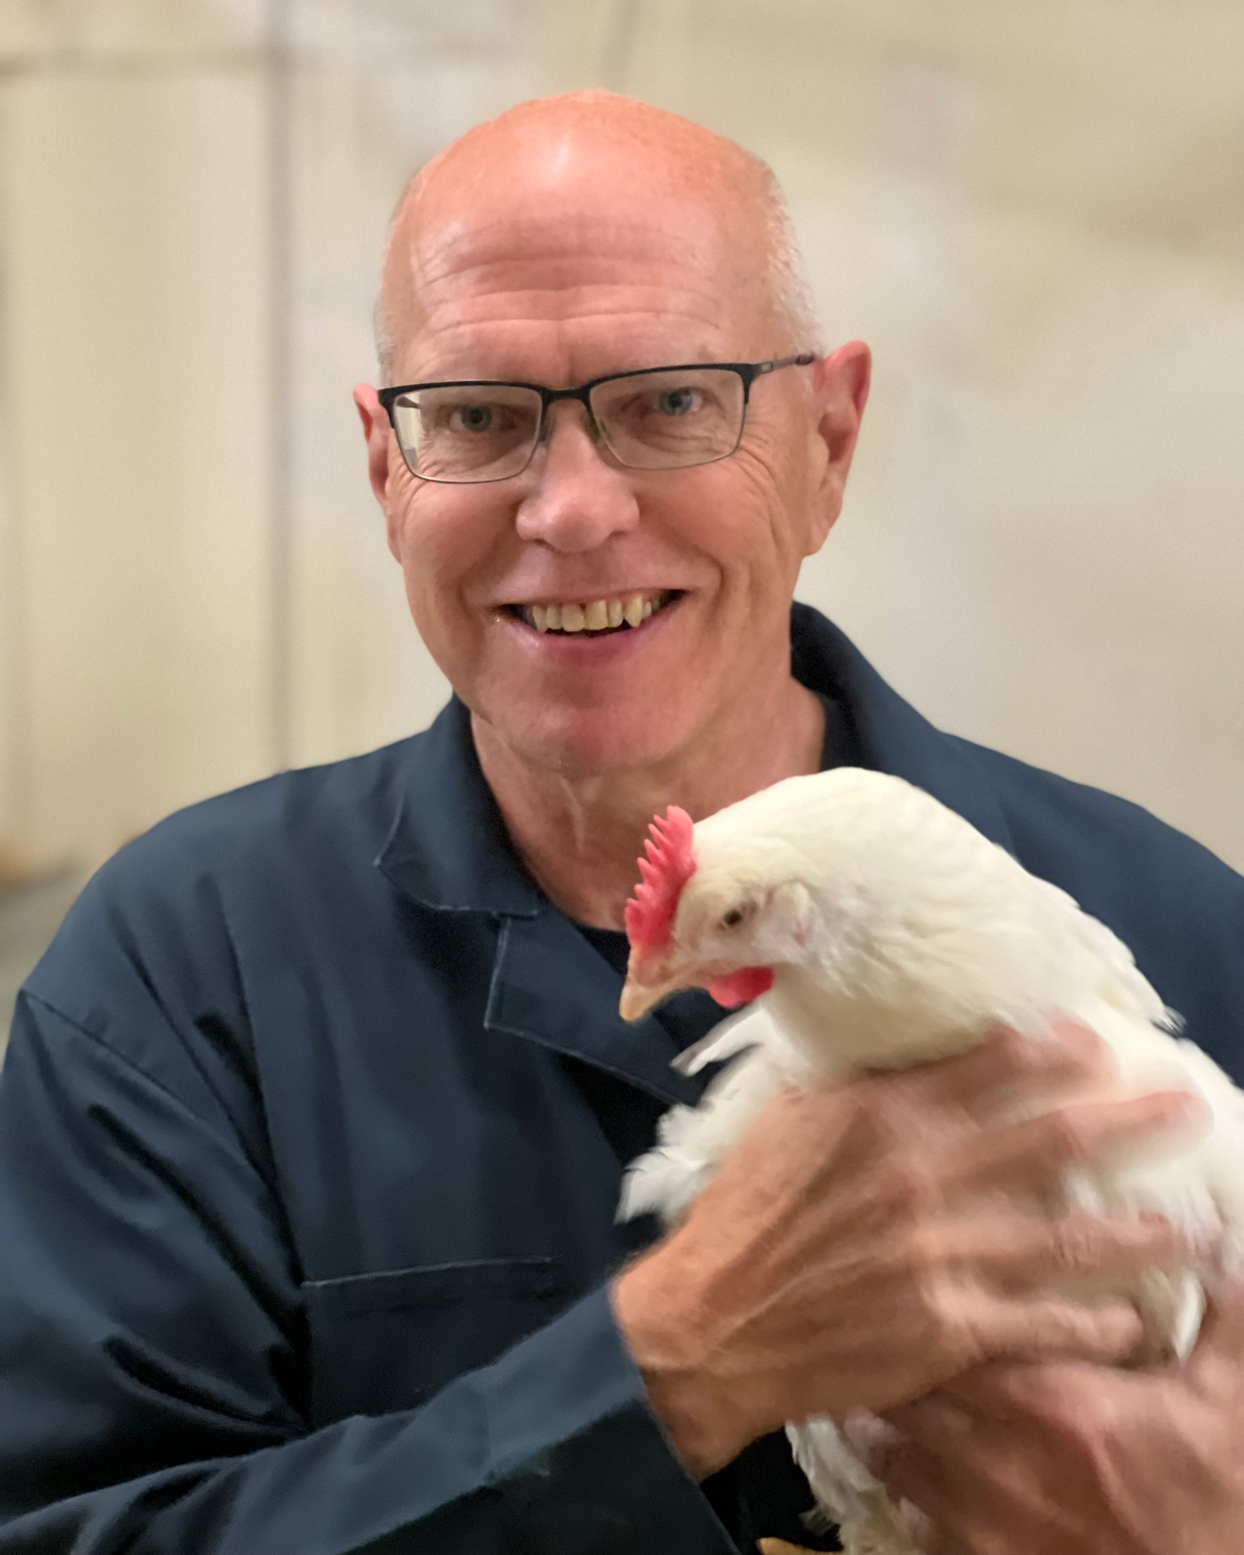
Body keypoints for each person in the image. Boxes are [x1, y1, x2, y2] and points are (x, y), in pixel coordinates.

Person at [0, 92, 1240, 1555]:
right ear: (388, 469)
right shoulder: (184, 982)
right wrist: (673, 1364)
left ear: (831, 440)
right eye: (476, 417)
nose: (572, 512)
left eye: (670, 402)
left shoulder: (1181, 937)